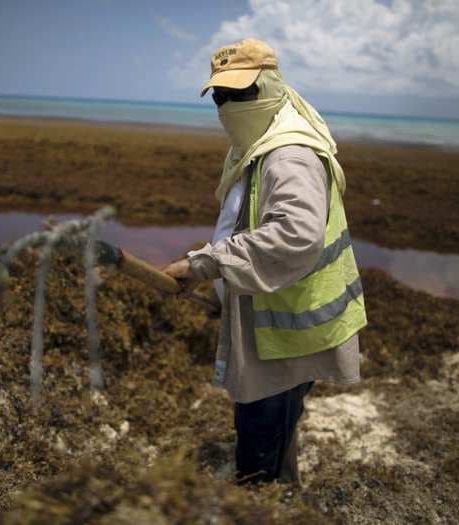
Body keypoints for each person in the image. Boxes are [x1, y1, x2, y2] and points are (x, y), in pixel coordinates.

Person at [163, 38, 367, 485]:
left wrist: (206, 265)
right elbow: (247, 226)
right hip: (275, 318)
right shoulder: (257, 144)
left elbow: (295, 234)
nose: (228, 105)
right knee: (281, 426)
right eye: (220, 96)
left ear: (271, 85)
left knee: (258, 442)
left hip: (288, 329)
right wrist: (220, 288)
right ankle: (285, 491)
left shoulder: (287, 155)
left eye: (241, 93)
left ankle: (261, 504)